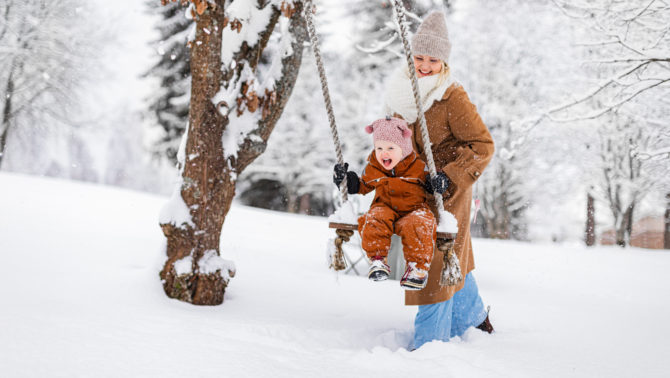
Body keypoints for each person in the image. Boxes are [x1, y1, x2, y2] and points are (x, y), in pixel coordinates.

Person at [383, 11, 496, 349]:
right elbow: (390, 143)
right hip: (414, 194)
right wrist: (364, 171)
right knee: (450, 259)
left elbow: (482, 146)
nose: (425, 65)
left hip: (447, 196)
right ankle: (473, 318)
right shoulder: (400, 91)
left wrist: (448, 177)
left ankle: (427, 347)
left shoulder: (451, 96)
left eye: (433, 59)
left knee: (432, 265)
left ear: (444, 62)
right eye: (419, 57)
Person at [333, 116, 449, 290]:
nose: (383, 153)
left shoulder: (418, 166)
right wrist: (346, 181)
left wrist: (439, 183)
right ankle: (378, 261)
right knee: (374, 218)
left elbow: (431, 184)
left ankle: (417, 269)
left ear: (403, 149)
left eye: (390, 148)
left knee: (420, 223)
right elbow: (362, 185)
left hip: (414, 209)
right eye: (379, 148)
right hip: (384, 207)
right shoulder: (374, 166)